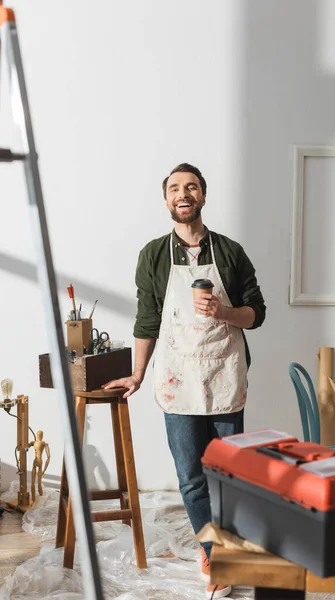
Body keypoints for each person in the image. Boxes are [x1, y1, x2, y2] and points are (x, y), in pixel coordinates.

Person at [105, 163, 266, 599]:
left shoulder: (230, 252)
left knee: (228, 474)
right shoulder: (153, 256)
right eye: (175, 187)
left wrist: (225, 313)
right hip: (177, 377)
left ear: (203, 196)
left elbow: (257, 312)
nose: (183, 193)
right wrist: (138, 373)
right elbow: (147, 320)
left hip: (223, 373)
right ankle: (214, 552)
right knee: (192, 477)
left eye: (191, 186)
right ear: (166, 200)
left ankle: (229, 546)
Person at [29, 430, 51, 502]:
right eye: (40, 435)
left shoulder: (37, 443)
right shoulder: (39, 443)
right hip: (38, 461)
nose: (40, 436)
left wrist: (44, 470)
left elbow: (48, 457)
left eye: (40, 435)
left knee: (36, 483)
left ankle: (37, 500)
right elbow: (48, 457)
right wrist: (44, 470)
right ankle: (35, 500)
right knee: (36, 482)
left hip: (37, 461)